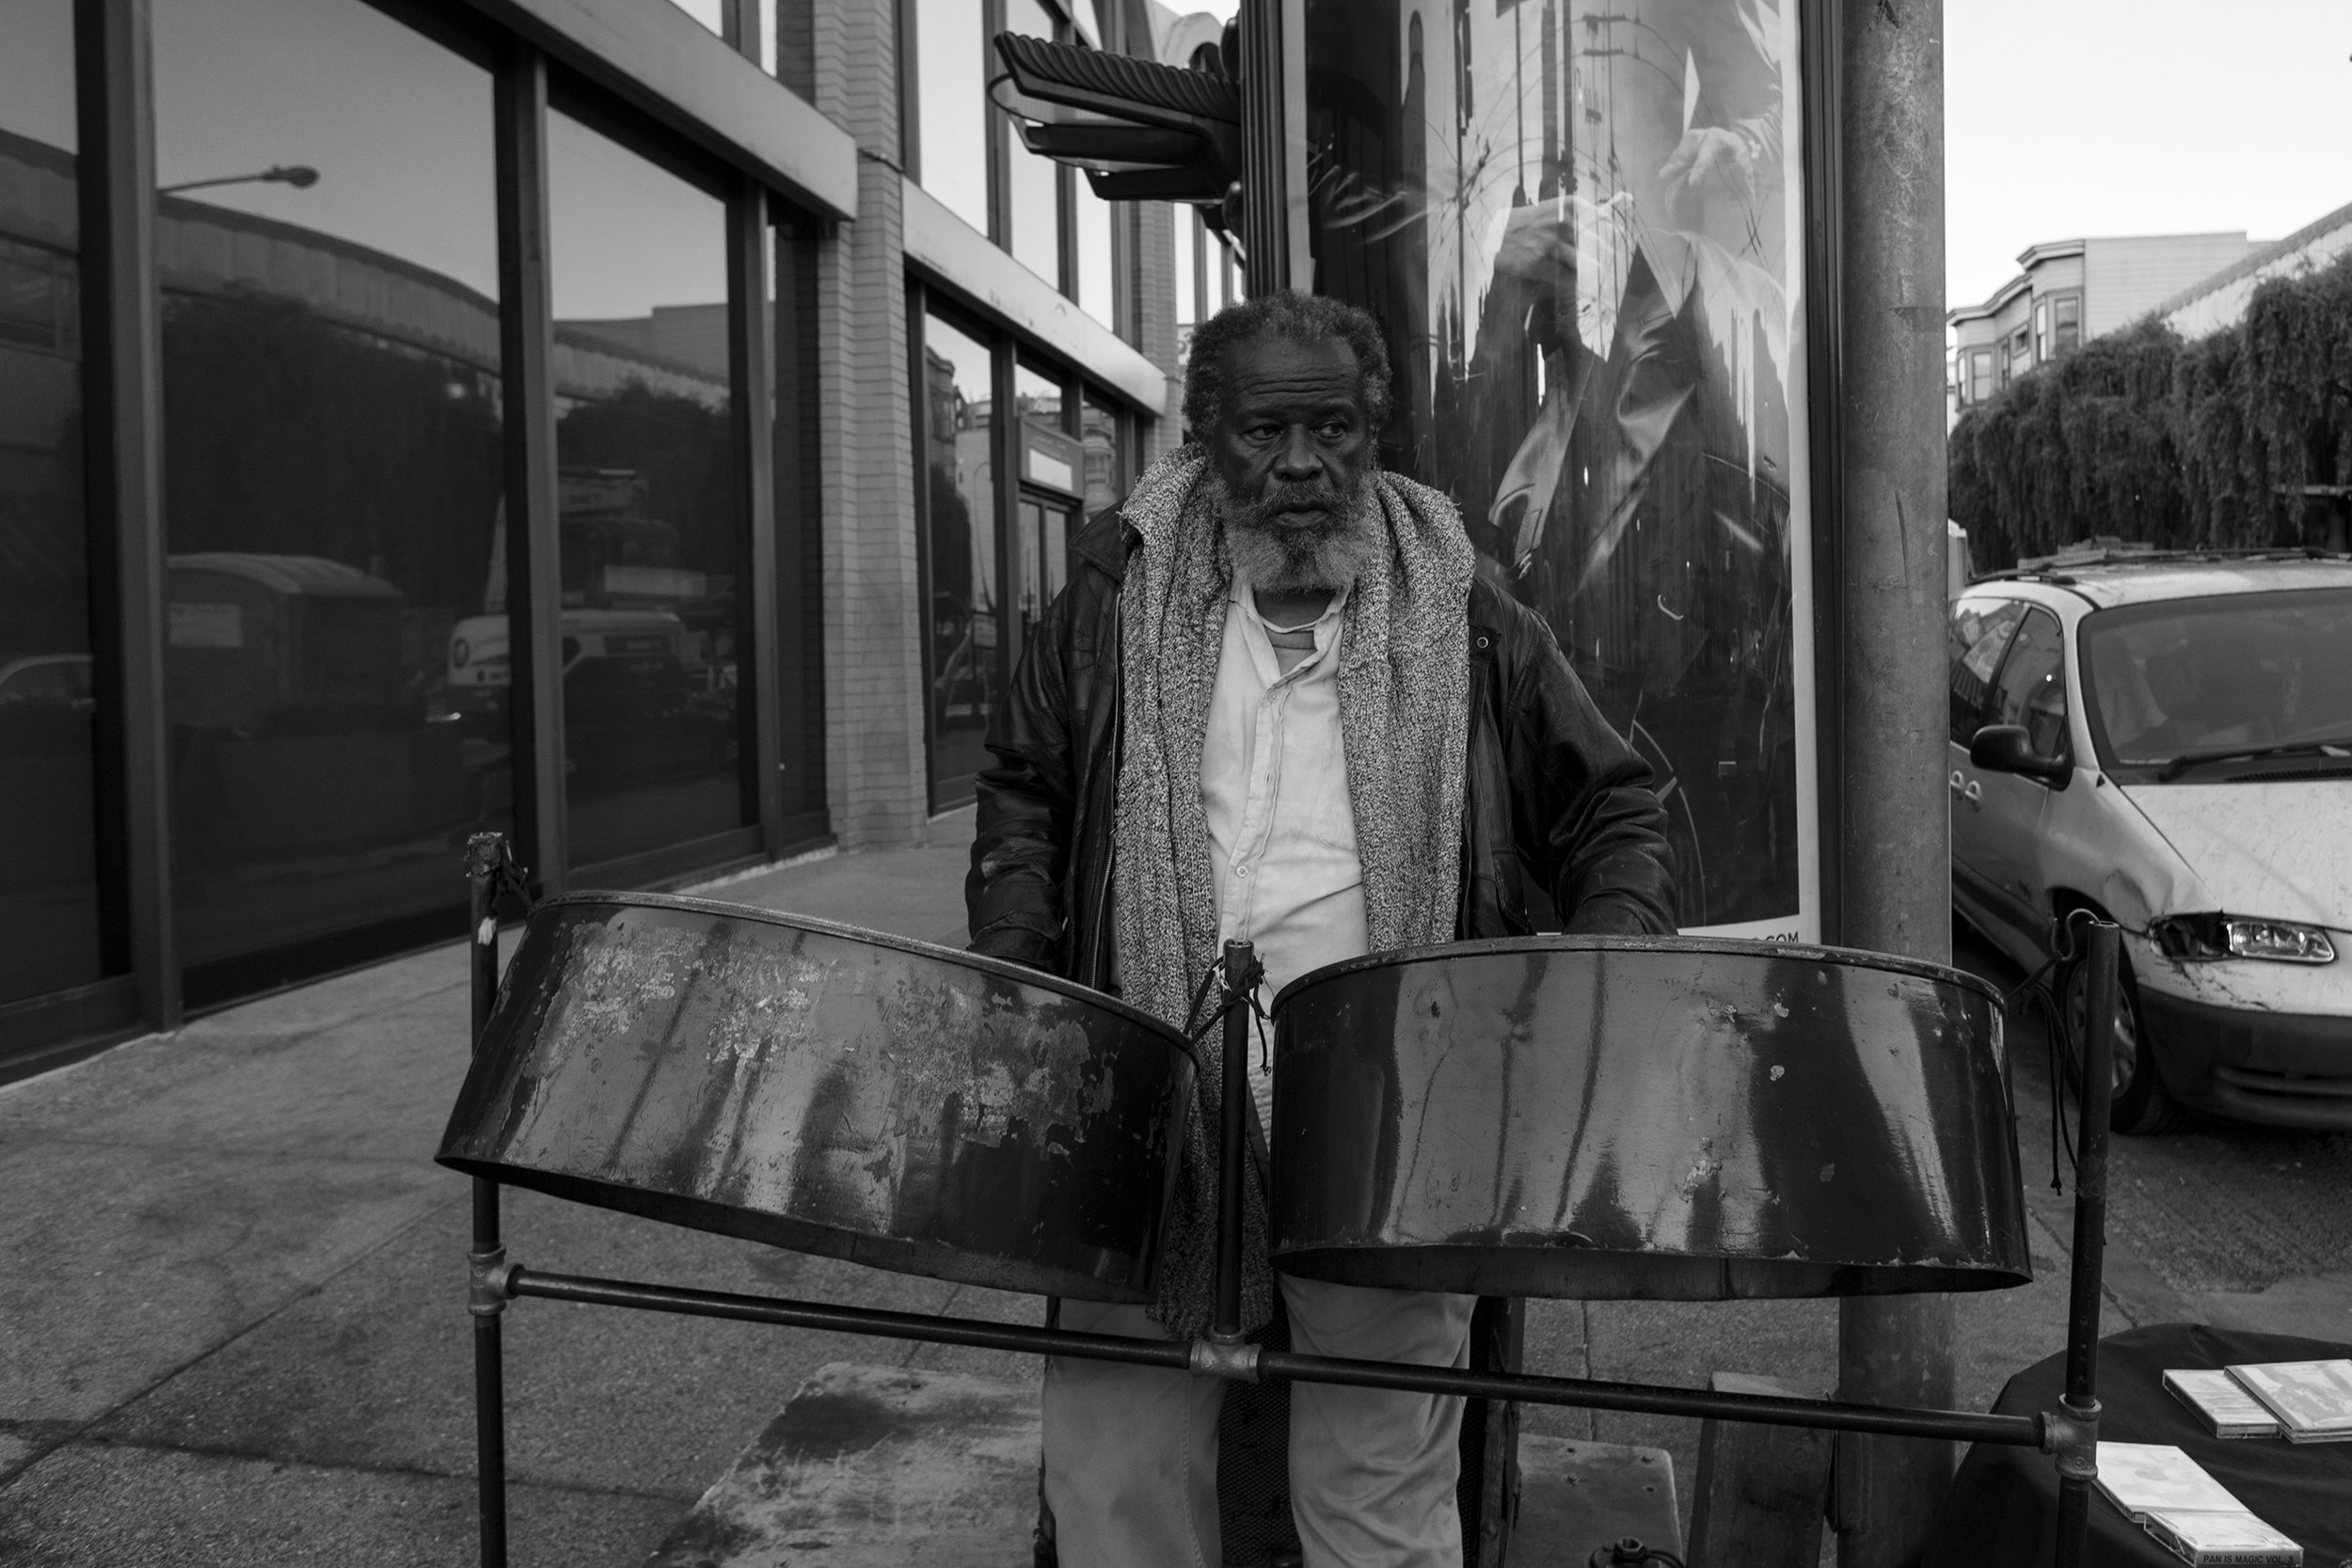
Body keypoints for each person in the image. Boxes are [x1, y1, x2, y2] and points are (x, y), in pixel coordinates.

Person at [965, 291, 1677, 1568]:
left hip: (1390, 1124)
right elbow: (1026, 787)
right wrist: (1026, 986)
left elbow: (1619, 805)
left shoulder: (1465, 613)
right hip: (1146, 1113)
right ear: (1207, 438)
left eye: (1335, 430)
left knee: (1380, 1499)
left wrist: (1594, 972)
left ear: (1374, 436)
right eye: (1265, 431)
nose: (1302, 465)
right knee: (1117, 1488)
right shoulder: (1108, 593)